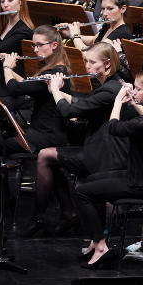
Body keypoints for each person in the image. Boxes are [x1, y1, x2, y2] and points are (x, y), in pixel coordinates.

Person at [73, 68, 143, 269]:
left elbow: (114, 128)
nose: (135, 91)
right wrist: (133, 102)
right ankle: (96, 241)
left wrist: (117, 102)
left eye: (139, 89)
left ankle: (100, 246)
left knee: (82, 192)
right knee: (91, 181)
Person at [0, 25, 71, 221]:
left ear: (54, 45)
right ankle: (66, 212)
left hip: (46, 134)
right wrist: (13, 71)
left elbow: (14, 89)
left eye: (40, 45)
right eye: (33, 45)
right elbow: (29, 87)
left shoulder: (55, 72)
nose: (35, 50)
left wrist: (6, 67)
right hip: (44, 131)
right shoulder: (52, 68)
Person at [18, 43, 123, 236]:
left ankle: (41, 217)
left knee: (45, 155)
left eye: (92, 62)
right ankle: (67, 213)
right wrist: (57, 91)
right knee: (49, 158)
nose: (87, 66)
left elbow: (70, 112)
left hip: (103, 155)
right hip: (99, 148)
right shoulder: (109, 84)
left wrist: (57, 91)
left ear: (107, 64)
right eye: (86, 61)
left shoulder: (109, 90)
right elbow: (84, 103)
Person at [62, 0, 132, 50]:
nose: (104, 13)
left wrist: (75, 36)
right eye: (103, 8)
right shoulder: (108, 25)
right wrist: (69, 34)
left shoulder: (122, 33)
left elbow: (89, 55)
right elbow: (93, 40)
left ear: (123, 9)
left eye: (110, 9)